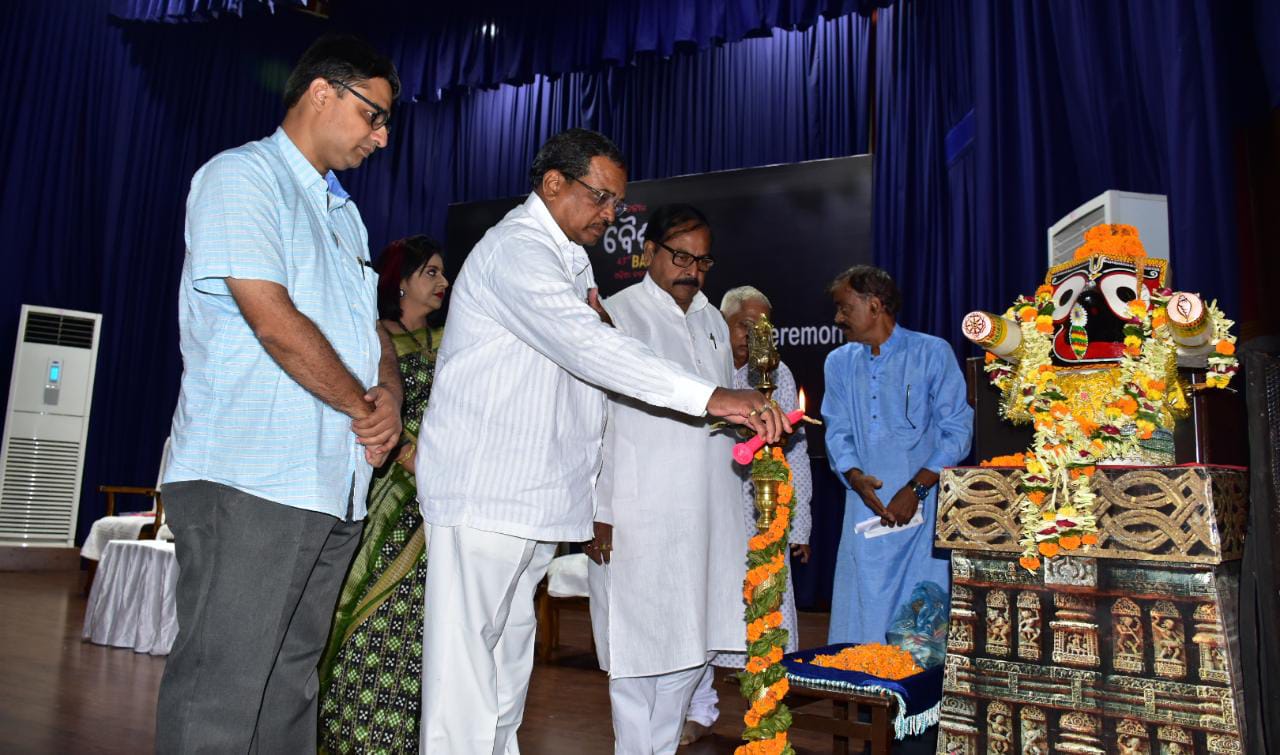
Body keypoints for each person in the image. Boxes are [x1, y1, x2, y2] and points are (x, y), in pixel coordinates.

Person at [414, 129, 791, 754]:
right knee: (465, 680)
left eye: (617, 201)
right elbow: (592, 350)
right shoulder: (516, 250)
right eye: (601, 197)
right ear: (553, 183)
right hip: (486, 493)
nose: (611, 213)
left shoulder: (569, 261)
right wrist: (713, 396)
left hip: (535, 498)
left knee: (505, 674)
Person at [157, 35, 402, 753]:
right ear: (322, 92)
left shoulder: (344, 213)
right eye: (374, 115)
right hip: (251, 475)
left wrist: (387, 394)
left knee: (291, 683)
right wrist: (361, 406)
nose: (382, 137)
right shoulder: (242, 177)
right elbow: (270, 317)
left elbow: (371, 331)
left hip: (332, 481)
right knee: (222, 689)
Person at [584, 204, 746, 755]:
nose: (692, 271)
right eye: (681, 257)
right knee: (634, 654)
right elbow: (594, 420)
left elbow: (714, 413)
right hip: (637, 513)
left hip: (708, 514)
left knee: (692, 647)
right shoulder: (615, 315)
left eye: (703, 261)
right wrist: (597, 510)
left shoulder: (712, 320)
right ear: (648, 252)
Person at [318, 235, 449, 753]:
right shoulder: (374, 337)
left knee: (424, 624)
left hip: (444, 498)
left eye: (442, 272)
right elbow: (366, 408)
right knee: (372, 613)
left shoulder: (453, 339)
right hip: (390, 492)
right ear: (400, 281)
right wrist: (408, 455)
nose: (443, 282)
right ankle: (356, 736)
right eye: (431, 272)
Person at [682, 286, 814, 745]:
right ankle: (700, 708)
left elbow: (795, 453)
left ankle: (765, 711)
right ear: (722, 324)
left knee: (766, 607)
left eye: (764, 328)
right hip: (708, 504)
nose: (754, 336)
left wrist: (798, 524)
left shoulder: (777, 374)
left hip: (763, 511)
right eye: (745, 326)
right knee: (705, 607)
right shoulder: (705, 365)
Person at [820, 265, 972, 645]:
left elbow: (957, 431)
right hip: (864, 508)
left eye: (844, 308)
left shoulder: (931, 353)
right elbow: (837, 431)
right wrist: (854, 476)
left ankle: (916, 687)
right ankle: (863, 680)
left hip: (922, 511)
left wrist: (916, 489)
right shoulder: (838, 363)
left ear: (874, 305)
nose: (838, 318)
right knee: (862, 612)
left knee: (919, 618)